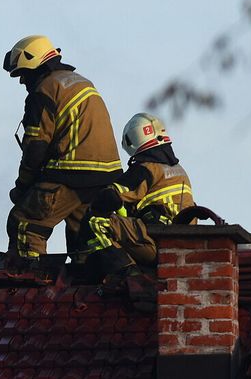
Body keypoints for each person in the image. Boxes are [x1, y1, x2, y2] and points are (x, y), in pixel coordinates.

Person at [0, 35, 122, 267]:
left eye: (23, 74)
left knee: (25, 222)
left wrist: (23, 186)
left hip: (70, 172)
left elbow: (36, 146)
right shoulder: (82, 82)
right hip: (108, 176)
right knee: (84, 236)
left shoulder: (44, 90)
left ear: (35, 63)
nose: (22, 81)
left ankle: (30, 278)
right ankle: (87, 279)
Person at [80, 112, 194, 282]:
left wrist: (97, 200)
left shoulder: (146, 169)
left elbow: (111, 196)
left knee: (94, 221)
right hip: (177, 245)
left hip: (156, 242)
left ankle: (127, 274)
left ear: (132, 141)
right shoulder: (178, 170)